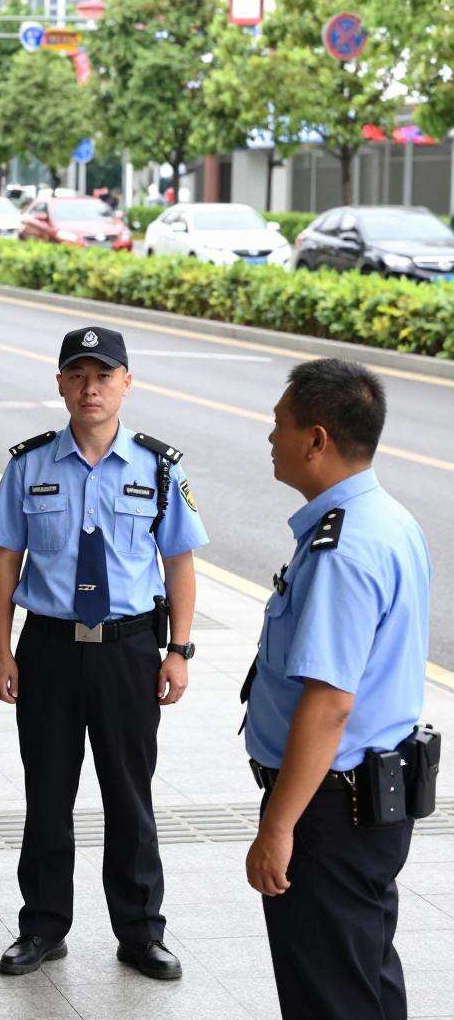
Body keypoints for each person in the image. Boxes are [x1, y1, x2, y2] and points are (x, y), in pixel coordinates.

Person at [0, 327, 208, 979]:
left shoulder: (159, 467)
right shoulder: (28, 464)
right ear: (59, 383)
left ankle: (140, 932)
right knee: (46, 793)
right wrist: (2, 651)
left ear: (127, 383)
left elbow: (179, 564)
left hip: (129, 650)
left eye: (103, 376)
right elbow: (4, 565)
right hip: (47, 649)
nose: (90, 387)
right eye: (77, 375)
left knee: (129, 796)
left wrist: (179, 649)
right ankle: (43, 927)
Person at [242, 358, 431, 1020]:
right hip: (370, 800)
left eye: (280, 425)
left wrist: (279, 825)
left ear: (316, 440)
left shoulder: (342, 550)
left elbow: (329, 704)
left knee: (328, 995)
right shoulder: (389, 519)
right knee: (365, 978)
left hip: (331, 812)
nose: (271, 437)